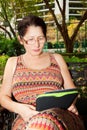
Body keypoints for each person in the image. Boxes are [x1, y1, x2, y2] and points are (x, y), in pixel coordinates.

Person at [0, 14, 85, 130]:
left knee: (40, 126)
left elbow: (72, 91)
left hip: (59, 115)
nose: (37, 44)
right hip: (26, 117)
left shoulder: (57, 59)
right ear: (21, 40)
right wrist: (20, 109)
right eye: (30, 39)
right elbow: (3, 97)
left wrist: (71, 103)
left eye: (40, 38)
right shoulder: (13, 62)